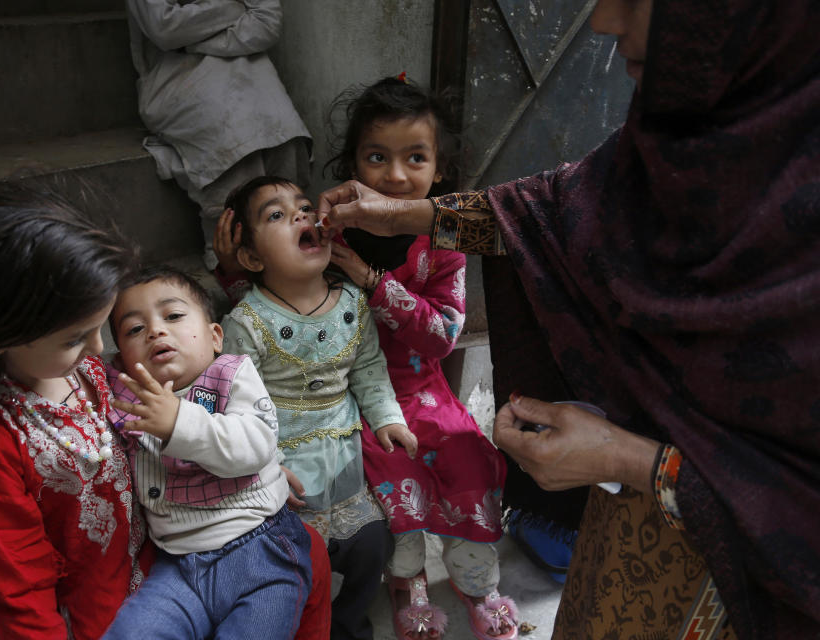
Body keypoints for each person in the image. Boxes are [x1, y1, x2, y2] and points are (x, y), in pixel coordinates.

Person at [314, 0, 820, 638]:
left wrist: (633, 460)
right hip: (625, 539)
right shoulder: (672, 141)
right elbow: (541, 212)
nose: (605, 21)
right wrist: (400, 217)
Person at [324, 76, 516, 640]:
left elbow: (442, 336)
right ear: (353, 166)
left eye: (415, 157)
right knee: (395, 477)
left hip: (425, 388)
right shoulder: (333, 236)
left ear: (440, 172)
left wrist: (371, 280)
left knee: (468, 462)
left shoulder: (445, 240)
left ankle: (478, 583)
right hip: (358, 397)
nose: (395, 175)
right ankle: (407, 584)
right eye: (376, 157)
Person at [0, 181, 152, 640]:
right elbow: (20, 584)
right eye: (74, 338)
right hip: (99, 614)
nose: (99, 349)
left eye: (99, 326)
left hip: (160, 557)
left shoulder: (78, 365)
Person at [220, 175, 411, 640]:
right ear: (250, 257)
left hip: (342, 451)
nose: (302, 216)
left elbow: (367, 366)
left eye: (305, 207)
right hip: (283, 462)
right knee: (297, 558)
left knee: (371, 545)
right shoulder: (245, 321)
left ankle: (348, 626)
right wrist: (264, 466)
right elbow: (230, 403)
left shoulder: (351, 303)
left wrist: (388, 417)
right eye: (277, 215)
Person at [99, 264, 312, 639]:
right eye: (134, 329)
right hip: (177, 566)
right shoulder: (126, 399)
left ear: (215, 336)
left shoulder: (232, 375)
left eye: (174, 315)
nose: (156, 330)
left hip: (261, 551)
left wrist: (179, 423)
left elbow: (256, 442)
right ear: (120, 360)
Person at [125, 0, 311, 271]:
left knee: (282, 130)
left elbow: (267, 23)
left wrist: (193, 41)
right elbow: (165, 28)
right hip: (175, 73)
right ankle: (228, 253)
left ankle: (290, 242)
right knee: (230, 140)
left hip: (245, 61)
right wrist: (235, 8)